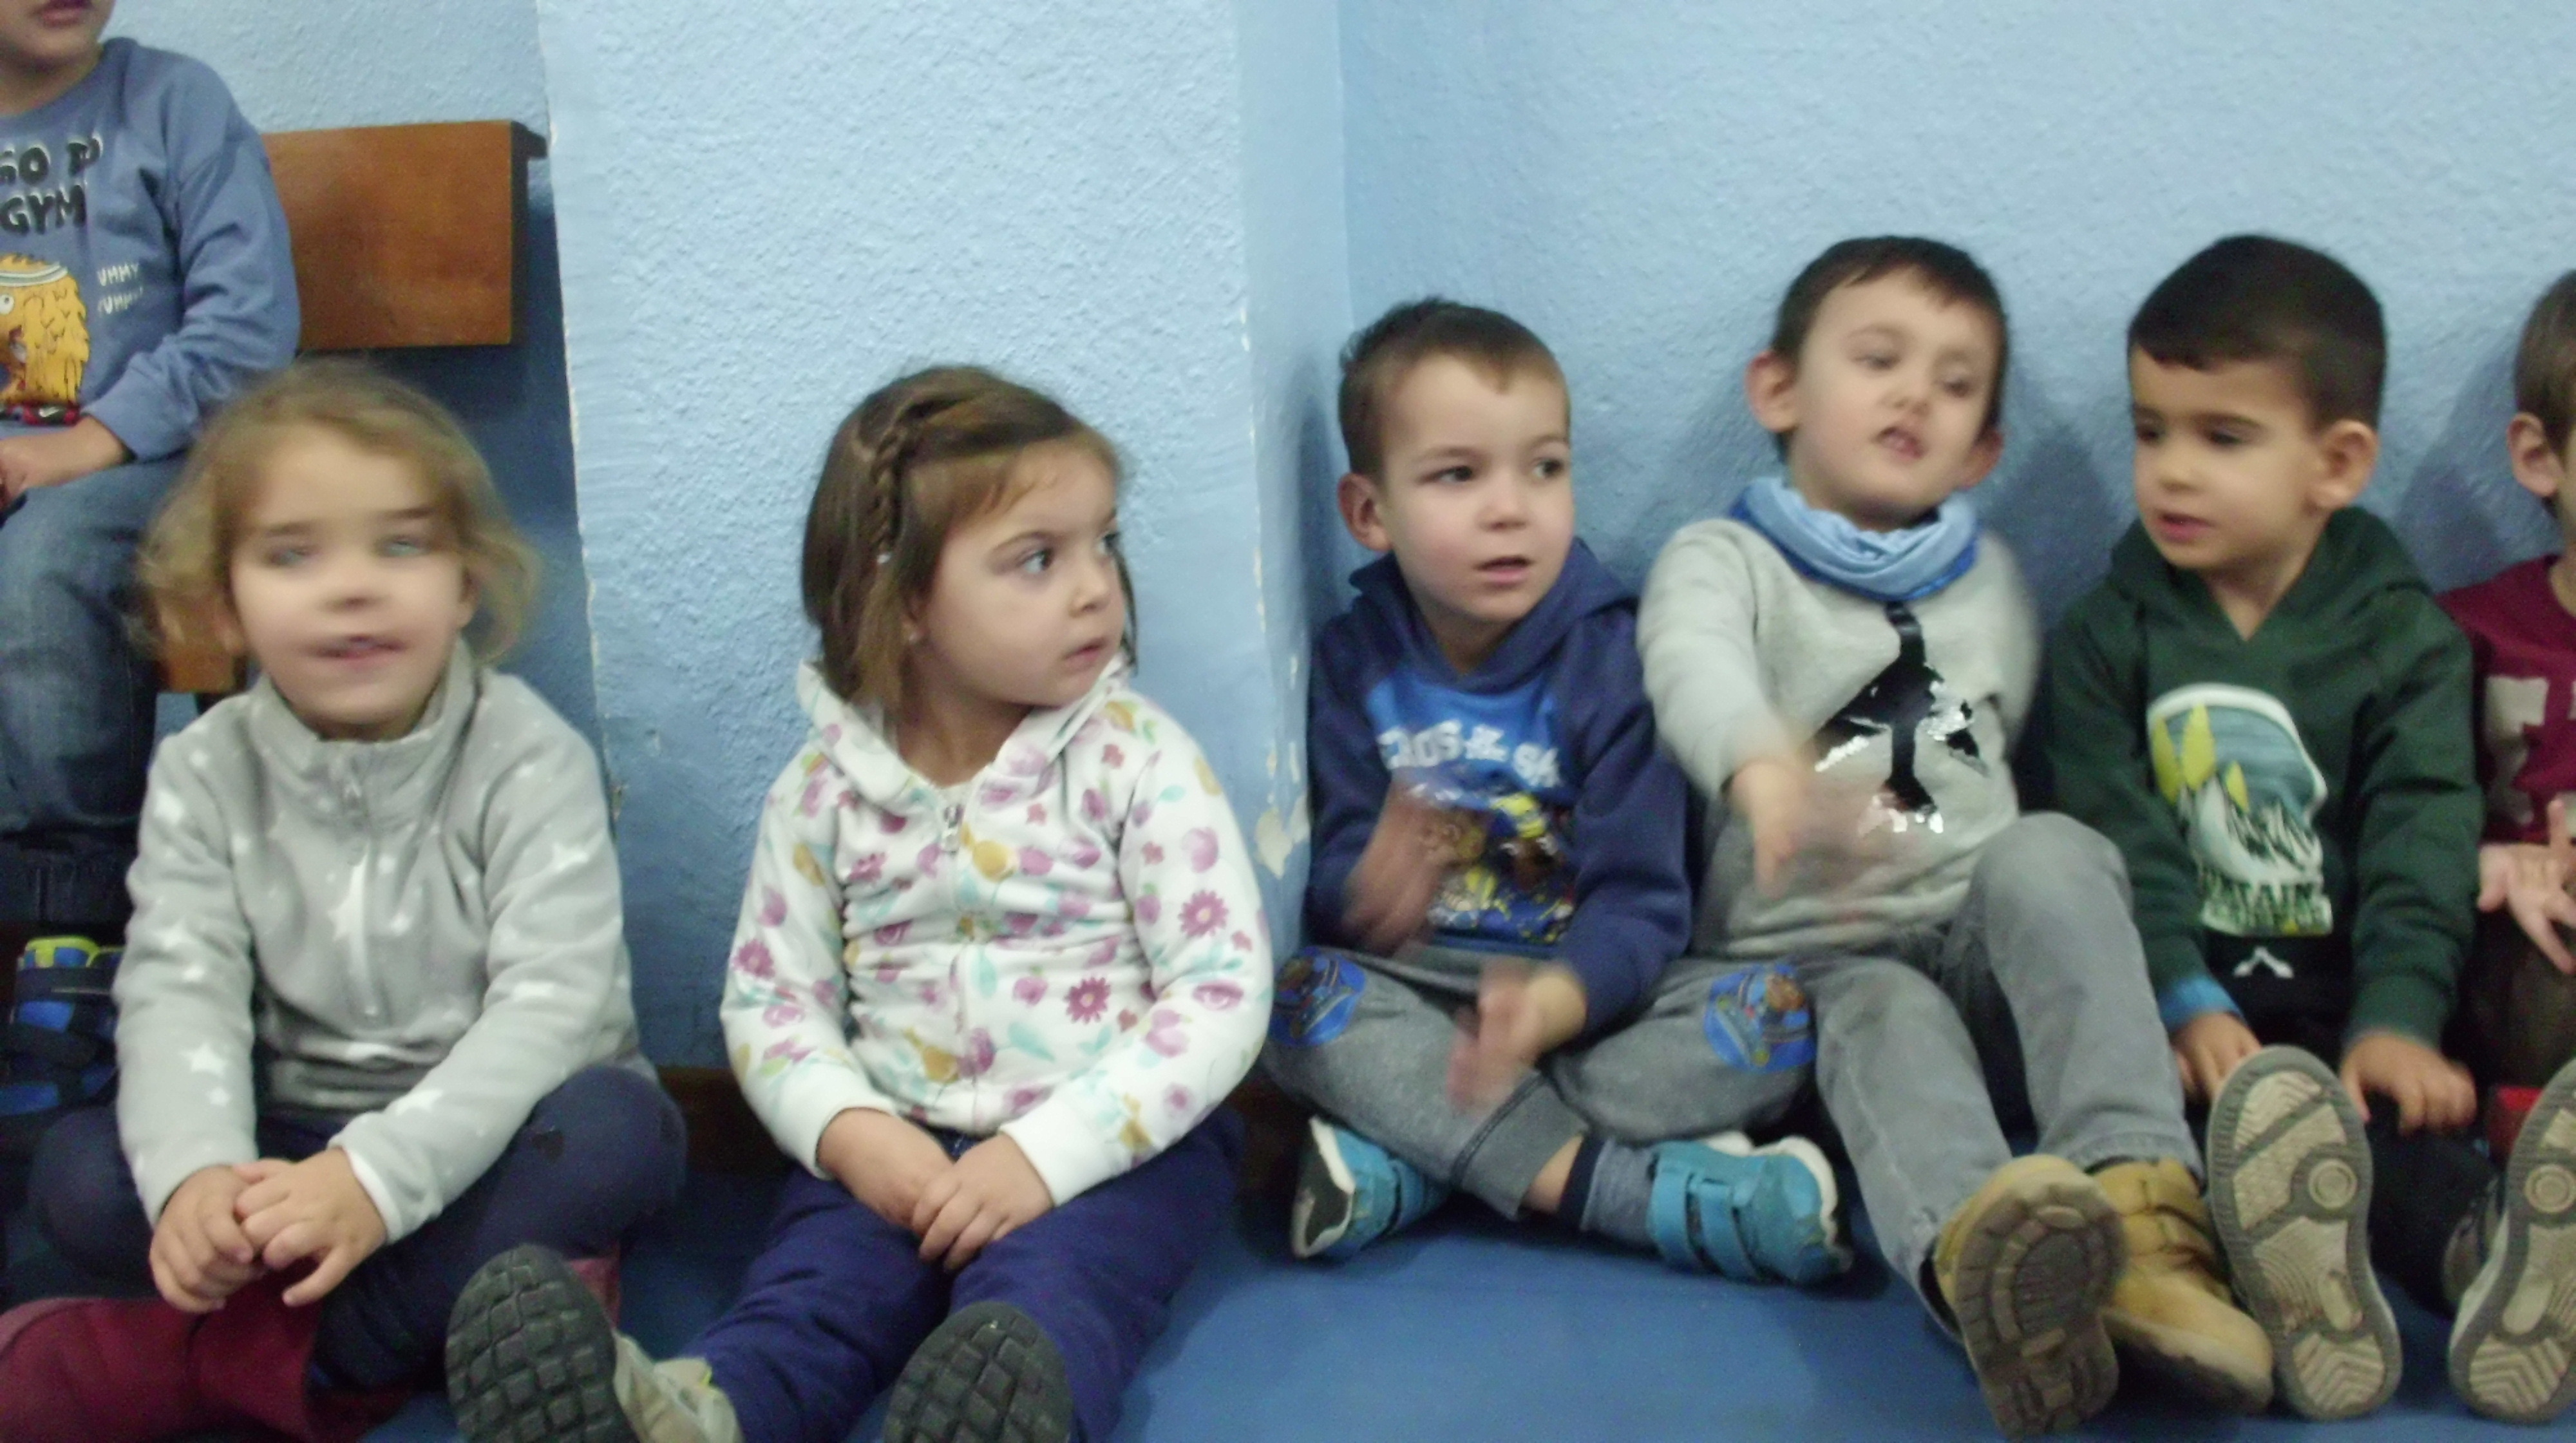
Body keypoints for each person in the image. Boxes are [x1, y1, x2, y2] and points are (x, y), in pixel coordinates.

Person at [446, 366, 1273, 1443]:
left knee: (1052, 1296)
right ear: (907, 602)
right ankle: (693, 1418)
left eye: (1102, 543)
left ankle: (1003, 1419)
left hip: (1112, 1151)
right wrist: (850, 1131)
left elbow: (1219, 992)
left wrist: (1051, 1153)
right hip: (895, 1142)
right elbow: (771, 1004)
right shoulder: (824, 793)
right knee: (812, 1299)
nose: (1094, 589)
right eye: (1038, 558)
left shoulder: (1138, 761)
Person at [1649, 237, 2267, 1435]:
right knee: (1885, 1005)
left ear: (1984, 448)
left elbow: (2001, 742)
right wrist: (1764, 768)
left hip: (1980, 962)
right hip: (1824, 972)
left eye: (1954, 383)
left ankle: (2146, 1216)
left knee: (2052, 849)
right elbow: (1692, 663)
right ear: (1777, 390)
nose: (1912, 397)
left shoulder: (1993, 581)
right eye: (1877, 360)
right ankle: (1994, 1268)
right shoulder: (1723, 560)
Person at [0, 361, 681, 1443]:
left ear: (465, 585)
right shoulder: (204, 773)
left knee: (625, 1134)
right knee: (81, 1178)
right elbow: (181, 996)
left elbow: (552, 1012)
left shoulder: (529, 757)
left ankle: (235, 1364)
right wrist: (196, 1183)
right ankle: (472, 1312)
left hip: (488, 1136)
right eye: (292, 554)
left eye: (401, 546)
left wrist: (373, 1183)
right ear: (226, 605)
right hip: (287, 1138)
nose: (353, 587)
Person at [2041, 233, 2576, 1424]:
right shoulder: (2105, 637)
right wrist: (2182, 997)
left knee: (2396, 1143)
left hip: (2339, 1007)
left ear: (2336, 464)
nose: (2173, 472)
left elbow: (2420, 837)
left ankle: (2492, 1269)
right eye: (2151, 431)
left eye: (2222, 438)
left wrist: (2399, 1020)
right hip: (2177, 1017)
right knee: (2190, 1150)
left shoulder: (2402, 638)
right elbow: (2115, 834)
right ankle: (2292, 1291)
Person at [1269, 298, 1844, 1285]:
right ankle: (1630, 1197)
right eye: (1459, 475)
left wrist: (1552, 1006)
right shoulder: (1355, 659)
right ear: (1370, 513)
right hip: (1429, 998)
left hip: (1593, 1009)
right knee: (1297, 1006)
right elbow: (1341, 896)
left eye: (1545, 467)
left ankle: (1423, 1160)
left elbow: (1645, 903)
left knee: (1774, 1023)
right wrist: (1368, 889)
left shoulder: (1614, 659)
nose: (1512, 508)